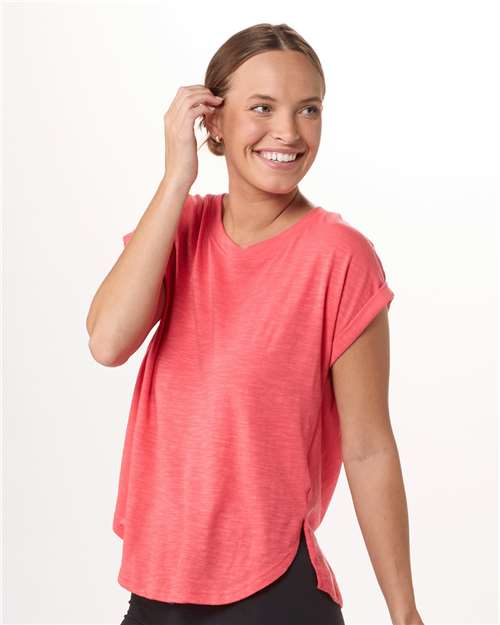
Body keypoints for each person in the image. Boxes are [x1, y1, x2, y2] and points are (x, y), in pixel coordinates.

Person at [86, 22, 423, 625]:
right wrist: (176, 178)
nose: (288, 131)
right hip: (156, 585)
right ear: (213, 120)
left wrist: (405, 614)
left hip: (271, 591)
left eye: (308, 109)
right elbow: (108, 341)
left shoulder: (340, 257)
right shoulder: (179, 229)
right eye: (262, 107)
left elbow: (369, 446)